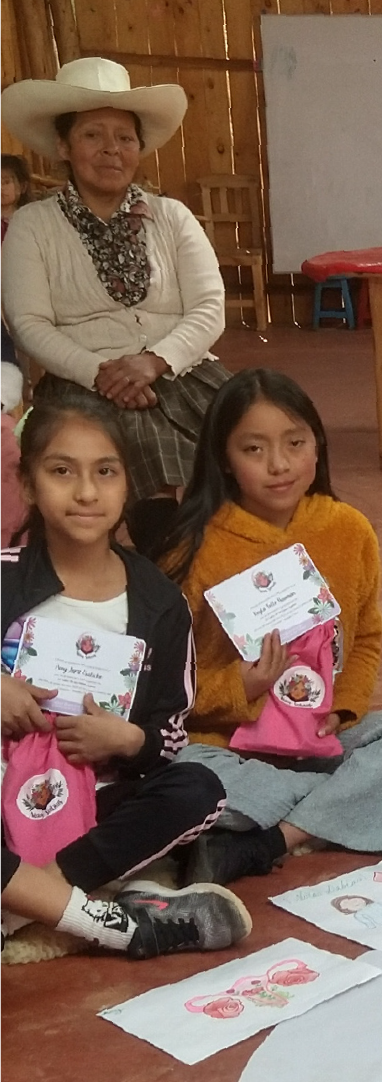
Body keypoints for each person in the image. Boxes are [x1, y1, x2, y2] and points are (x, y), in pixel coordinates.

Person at [159, 369, 382, 885]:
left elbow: (366, 635)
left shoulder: (348, 529)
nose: (279, 465)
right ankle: (376, 798)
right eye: (254, 449)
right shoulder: (195, 550)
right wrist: (239, 686)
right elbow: (165, 686)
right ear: (223, 459)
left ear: (317, 445)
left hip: (320, 742)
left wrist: (344, 708)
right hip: (227, 747)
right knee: (182, 778)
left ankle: (274, 839)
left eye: (295, 443)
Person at [0, 380, 248, 959]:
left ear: (128, 484)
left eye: (105, 472)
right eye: (62, 471)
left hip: (97, 795)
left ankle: (37, 896)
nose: (87, 492)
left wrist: (127, 740)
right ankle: (109, 920)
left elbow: (170, 734)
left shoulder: (160, 603)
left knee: (198, 788)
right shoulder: (5, 575)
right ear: (28, 484)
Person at [0, 58, 233, 553]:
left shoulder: (172, 216)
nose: (112, 149)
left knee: (251, 430)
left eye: (125, 137)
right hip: (82, 380)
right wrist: (101, 372)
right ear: (63, 146)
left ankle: (240, 568)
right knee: (142, 448)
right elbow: (29, 323)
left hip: (181, 371)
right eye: (93, 135)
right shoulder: (33, 226)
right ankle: (168, 573)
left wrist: (154, 361)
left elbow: (210, 307)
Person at [0, 152, 33, 413]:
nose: (0, 188)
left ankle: (31, 385)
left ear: (21, 186)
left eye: (6, 181)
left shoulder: (30, 219)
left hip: (27, 285)